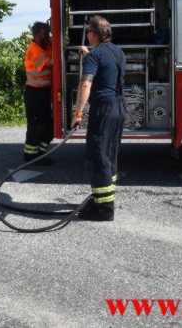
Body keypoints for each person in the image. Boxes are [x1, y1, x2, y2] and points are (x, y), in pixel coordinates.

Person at [71, 16, 125, 221]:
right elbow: (106, 63)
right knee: (110, 156)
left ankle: (104, 210)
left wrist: (78, 113)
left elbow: (85, 85)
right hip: (119, 108)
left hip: (103, 110)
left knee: (97, 157)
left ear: (93, 35)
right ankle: (102, 198)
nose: (87, 37)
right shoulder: (118, 52)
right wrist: (89, 52)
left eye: (88, 34)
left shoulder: (95, 56)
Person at [23, 21, 54, 164]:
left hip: (44, 92)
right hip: (35, 93)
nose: (47, 36)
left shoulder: (46, 44)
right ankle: (30, 157)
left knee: (47, 124)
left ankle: (41, 154)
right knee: (36, 125)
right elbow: (50, 63)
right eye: (44, 34)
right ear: (36, 35)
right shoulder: (34, 49)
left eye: (48, 32)